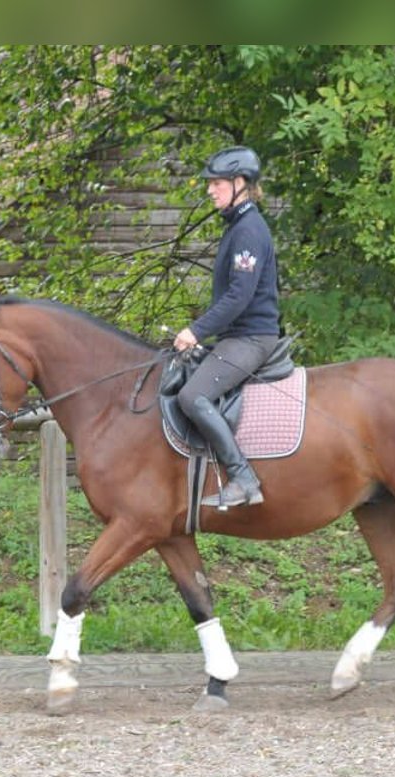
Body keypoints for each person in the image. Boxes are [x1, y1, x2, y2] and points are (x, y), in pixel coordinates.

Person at [174, 145, 281, 509]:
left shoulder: (249, 230)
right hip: (238, 336)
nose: (210, 190)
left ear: (240, 183)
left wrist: (196, 331)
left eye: (217, 183)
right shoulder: (239, 226)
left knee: (192, 397)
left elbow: (239, 295)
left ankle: (243, 478)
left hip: (252, 338)